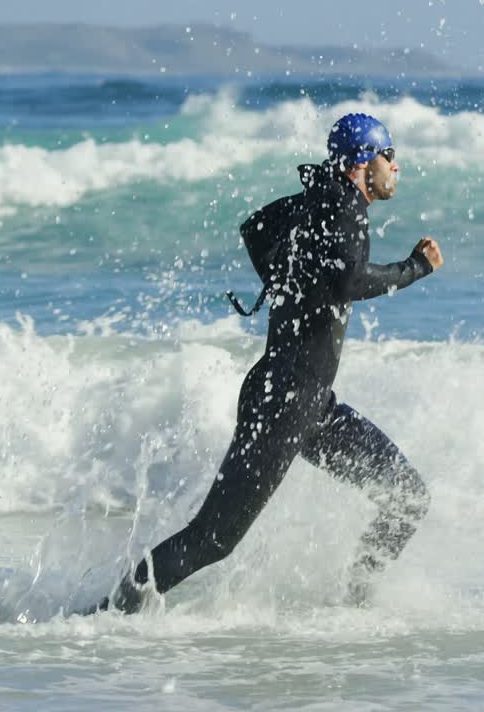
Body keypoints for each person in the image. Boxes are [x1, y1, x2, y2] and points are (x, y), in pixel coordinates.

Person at [96, 113, 443, 613]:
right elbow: (349, 281)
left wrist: (284, 280)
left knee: (406, 496)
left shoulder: (319, 201)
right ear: (364, 163)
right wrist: (416, 268)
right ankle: (107, 613)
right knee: (212, 539)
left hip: (307, 401)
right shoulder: (346, 207)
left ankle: (352, 602)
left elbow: (255, 228)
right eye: (390, 156)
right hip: (286, 402)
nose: (397, 167)